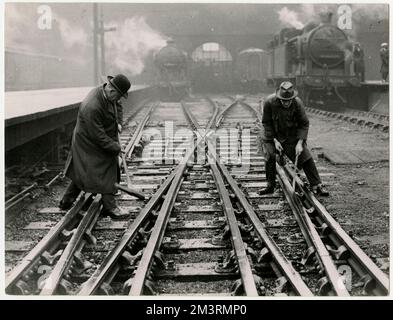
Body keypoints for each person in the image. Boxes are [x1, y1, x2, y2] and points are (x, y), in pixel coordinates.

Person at [59, 74, 131, 219]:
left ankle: (66, 201)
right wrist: (116, 147)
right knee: (106, 168)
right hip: (87, 142)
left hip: (96, 137)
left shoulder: (109, 94)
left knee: (82, 172)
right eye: (118, 96)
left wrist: (119, 123)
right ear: (112, 91)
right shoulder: (92, 106)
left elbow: (118, 106)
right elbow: (98, 136)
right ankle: (111, 207)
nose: (118, 99)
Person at [258, 81, 329, 196]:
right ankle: (270, 185)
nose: (286, 103)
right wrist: (275, 141)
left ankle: (317, 185)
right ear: (279, 98)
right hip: (272, 135)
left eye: (289, 101)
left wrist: (300, 143)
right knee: (270, 155)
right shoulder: (269, 102)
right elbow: (266, 123)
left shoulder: (298, 103)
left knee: (305, 156)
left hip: (290, 135)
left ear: (293, 98)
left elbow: (304, 124)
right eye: (284, 101)